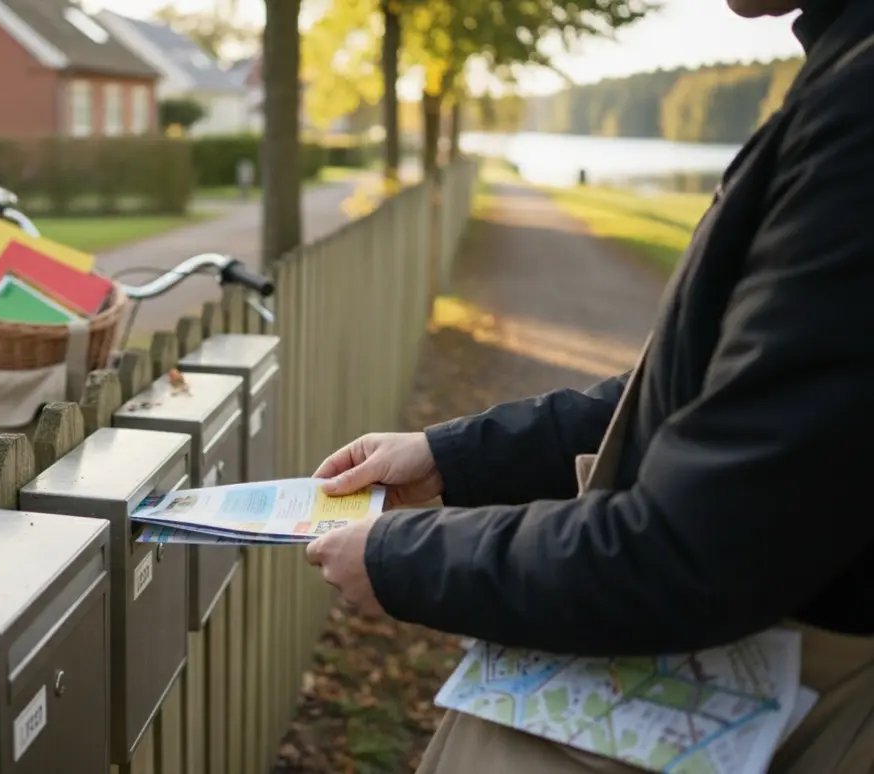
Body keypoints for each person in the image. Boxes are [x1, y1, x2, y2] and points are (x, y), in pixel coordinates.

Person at [303, 0, 874, 770]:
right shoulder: (841, 64)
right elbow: (707, 395)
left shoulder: (858, 104)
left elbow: (698, 548)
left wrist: (408, 560)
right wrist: (452, 456)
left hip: (783, 708)